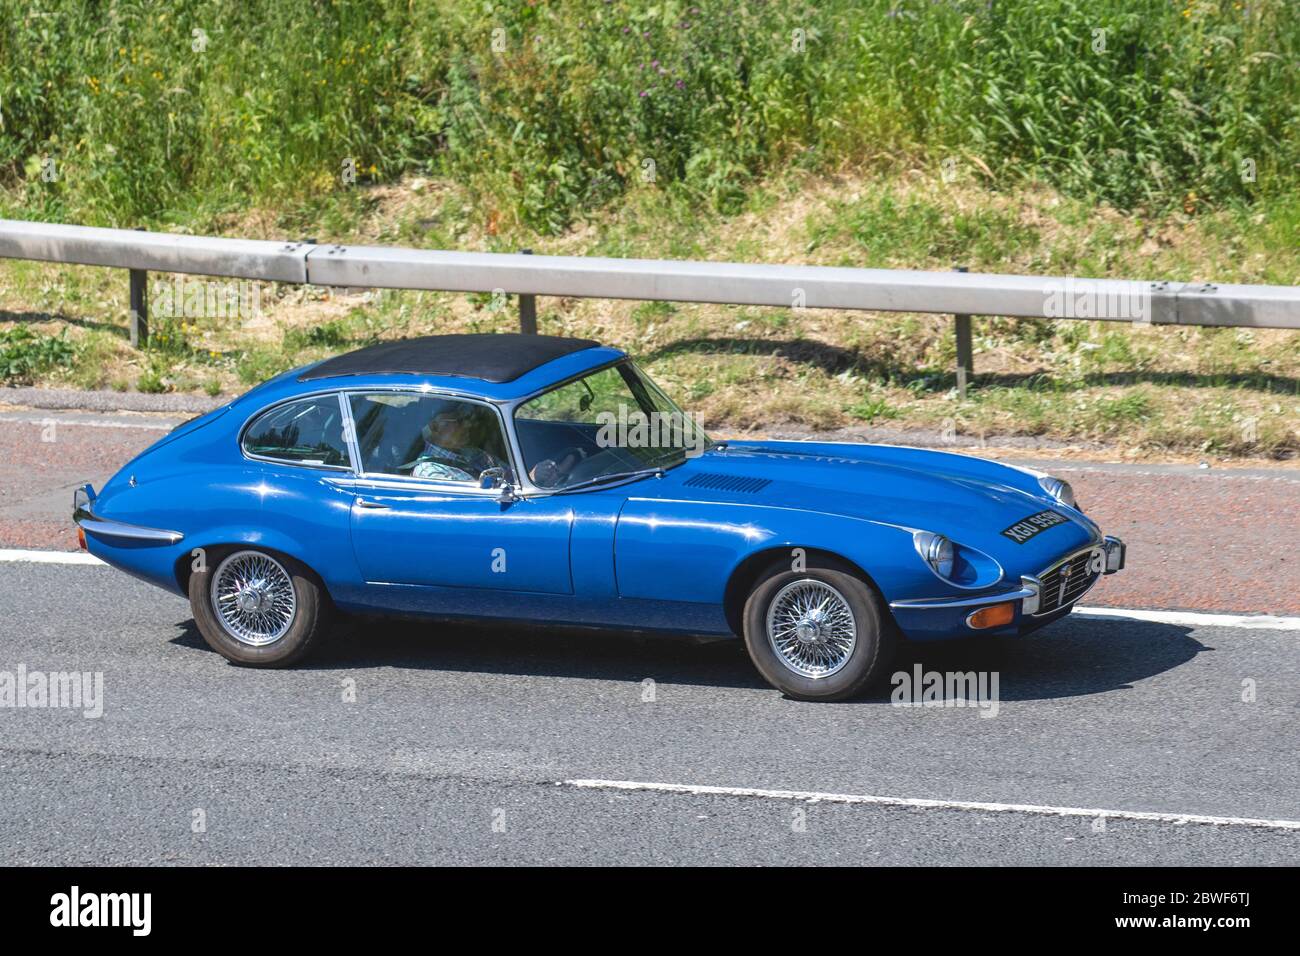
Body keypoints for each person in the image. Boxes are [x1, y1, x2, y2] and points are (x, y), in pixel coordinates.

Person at [411, 404, 507, 482]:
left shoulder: (470, 452)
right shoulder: (430, 472)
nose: (467, 425)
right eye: (458, 421)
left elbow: (510, 474)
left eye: (465, 419)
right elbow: (471, 502)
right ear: (435, 428)